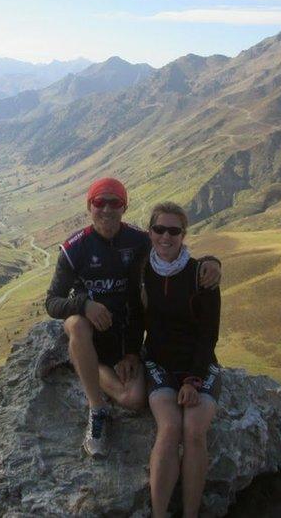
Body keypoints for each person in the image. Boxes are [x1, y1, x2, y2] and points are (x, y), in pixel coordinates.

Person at [45, 178, 221, 457]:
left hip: (124, 334)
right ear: (89, 206)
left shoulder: (139, 241)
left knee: (134, 399)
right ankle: (96, 408)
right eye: (99, 202)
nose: (107, 209)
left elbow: (171, 250)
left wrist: (211, 262)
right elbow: (52, 302)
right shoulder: (74, 248)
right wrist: (84, 305)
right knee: (76, 324)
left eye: (114, 202)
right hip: (89, 327)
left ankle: (80, 362)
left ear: (124, 207)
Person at [140, 201, 222, 518]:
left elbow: (208, 335)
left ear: (184, 234)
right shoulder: (142, 269)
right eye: (159, 229)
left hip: (198, 365)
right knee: (170, 426)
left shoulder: (202, 276)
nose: (166, 236)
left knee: (195, 430)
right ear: (150, 232)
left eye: (174, 230)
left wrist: (193, 379)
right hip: (158, 363)